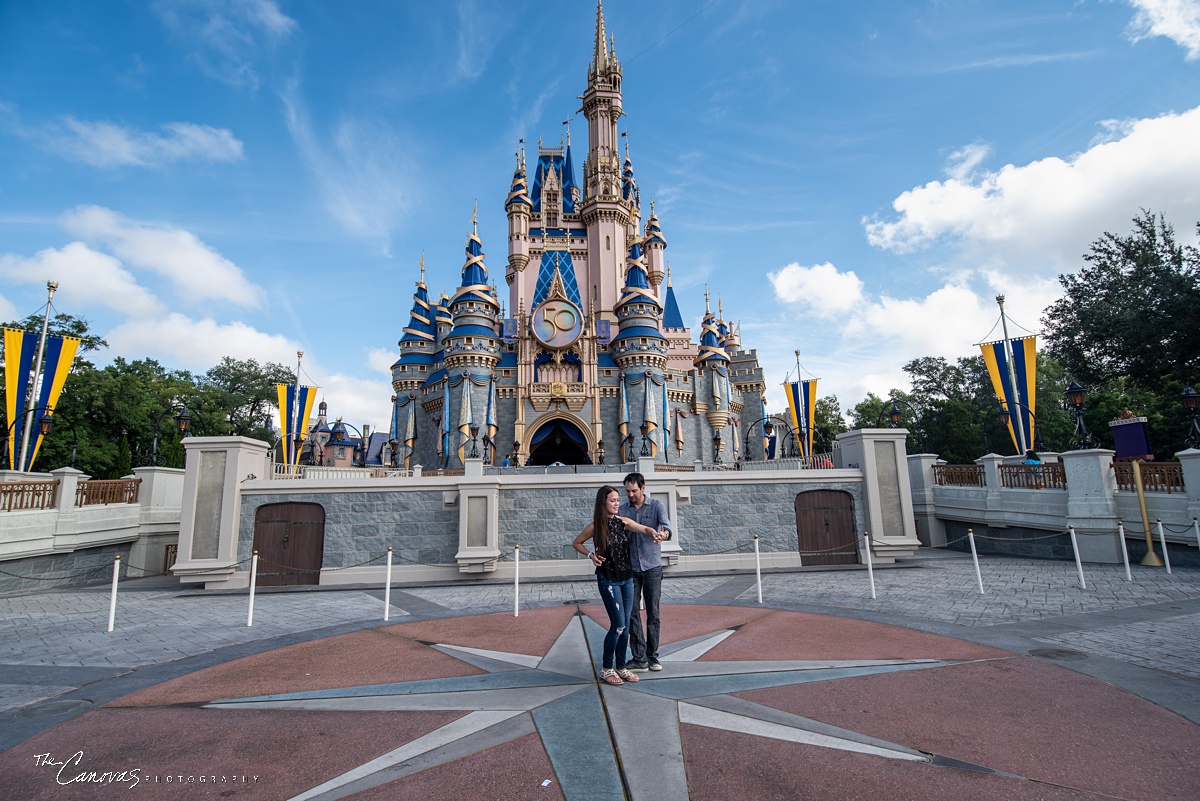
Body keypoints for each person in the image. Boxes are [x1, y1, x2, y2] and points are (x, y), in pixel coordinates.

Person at [571, 486, 660, 685]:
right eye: (612, 500)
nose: (617, 503)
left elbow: (644, 529)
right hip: (608, 579)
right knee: (618, 625)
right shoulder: (595, 526)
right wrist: (591, 556)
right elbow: (576, 543)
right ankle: (606, 668)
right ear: (603, 502)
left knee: (626, 626)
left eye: (617, 500)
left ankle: (621, 667)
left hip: (627, 579)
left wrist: (654, 533)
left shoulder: (623, 522)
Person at [619, 472, 672, 672]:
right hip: (630, 568)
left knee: (653, 612)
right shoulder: (623, 510)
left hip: (652, 567)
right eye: (627, 491)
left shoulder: (657, 506)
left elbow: (667, 527)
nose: (630, 495)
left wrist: (663, 535)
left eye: (634, 491)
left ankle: (653, 657)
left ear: (643, 488)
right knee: (631, 612)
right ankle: (639, 657)